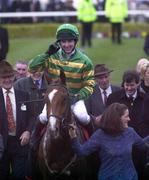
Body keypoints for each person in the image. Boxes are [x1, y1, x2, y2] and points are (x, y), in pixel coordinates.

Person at [28, 23, 95, 129]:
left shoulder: (85, 61)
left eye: (70, 41)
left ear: (75, 41)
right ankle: (34, 142)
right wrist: (47, 53)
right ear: (59, 42)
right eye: (63, 41)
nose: (67, 45)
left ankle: (92, 141)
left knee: (83, 117)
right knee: (43, 117)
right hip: (56, 99)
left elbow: (90, 85)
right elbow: (32, 68)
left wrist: (78, 96)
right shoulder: (51, 57)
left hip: (75, 98)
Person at [69, 102, 149, 180]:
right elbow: (81, 152)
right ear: (117, 119)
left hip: (130, 177)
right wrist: (73, 136)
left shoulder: (130, 132)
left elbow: (143, 146)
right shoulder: (100, 135)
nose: (129, 119)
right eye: (126, 116)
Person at [106, 70, 146, 180]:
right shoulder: (113, 98)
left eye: (132, 85)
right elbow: (108, 121)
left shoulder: (146, 99)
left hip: (139, 146)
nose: (129, 88)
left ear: (138, 83)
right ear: (123, 84)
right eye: (126, 85)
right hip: (118, 146)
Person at [0, 60, 34, 180]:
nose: (7, 80)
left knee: (18, 176)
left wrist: (28, 131)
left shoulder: (23, 95)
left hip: (21, 144)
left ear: (14, 76)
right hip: (2, 146)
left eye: (9, 76)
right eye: (4, 77)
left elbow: (32, 116)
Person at [85, 64, 120, 128]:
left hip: (116, 129)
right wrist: (95, 119)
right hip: (98, 130)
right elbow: (87, 113)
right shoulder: (90, 93)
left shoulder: (119, 91)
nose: (104, 80)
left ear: (109, 76)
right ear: (95, 79)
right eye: (101, 78)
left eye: (106, 77)